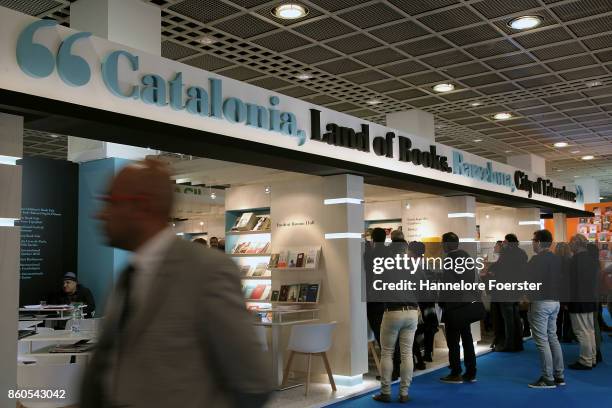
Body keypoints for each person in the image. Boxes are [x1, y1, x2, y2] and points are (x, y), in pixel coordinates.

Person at [80, 159, 270, 408]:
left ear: (141, 206)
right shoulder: (129, 275)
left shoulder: (207, 271)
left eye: (111, 202)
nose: (100, 213)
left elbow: (252, 382)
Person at [372, 239, 420, 403]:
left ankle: (385, 392)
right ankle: (404, 393)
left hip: (392, 311)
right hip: (412, 311)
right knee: (407, 353)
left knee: (387, 352)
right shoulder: (413, 265)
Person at [526, 229, 565, 388]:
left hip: (541, 302)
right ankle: (559, 375)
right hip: (555, 302)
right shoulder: (557, 259)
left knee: (542, 341)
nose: (532, 243)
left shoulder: (536, 260)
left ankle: (547, 377)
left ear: (540, 242)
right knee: (552, 338)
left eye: (533, 240)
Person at [439, 232, 479, 384]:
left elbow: (447, 284)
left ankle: (455, 372)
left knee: (453, 340)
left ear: (448, 244)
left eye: (443, 243)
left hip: (453, 305)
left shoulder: (450, 259)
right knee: (467, 338)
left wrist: (441, 302)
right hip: (466, 303)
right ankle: (471, 371)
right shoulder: (466, 256)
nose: (442, 246)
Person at [365, 228, 400, 381]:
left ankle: (390, 372)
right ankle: (396, 368)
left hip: (375, 300)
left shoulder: (370, 254)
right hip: (391, 298)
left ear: (372, 238)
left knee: (382, 338)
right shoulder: (390, 253)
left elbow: (367, 272)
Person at [488, 234, 527, 352]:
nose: (503, 244)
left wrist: (491, 270)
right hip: (515, 290)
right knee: (515, 318)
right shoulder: (521, 253)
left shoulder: (507, 254)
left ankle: (508, 344)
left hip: (504, 291)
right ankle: (518, 343)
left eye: (505, 242)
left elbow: (500, 269)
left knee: (507, 320)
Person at [567, 235, 599, 370]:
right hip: (589, 298)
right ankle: (591, 358)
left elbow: (572, 283)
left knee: (581, 331)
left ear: (576, 243)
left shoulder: (575, 260)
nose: (570, 245)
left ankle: (585, 360)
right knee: (589, 330)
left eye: (571, 243)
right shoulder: (591, 259)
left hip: (578, 300)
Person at [555, 242, 574, 343]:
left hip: (558, 291)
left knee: (557, 316)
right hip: (567, 291)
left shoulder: (554, 261)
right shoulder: (571, 261)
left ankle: (557, 335)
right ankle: (567, 336)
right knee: (567, 316)